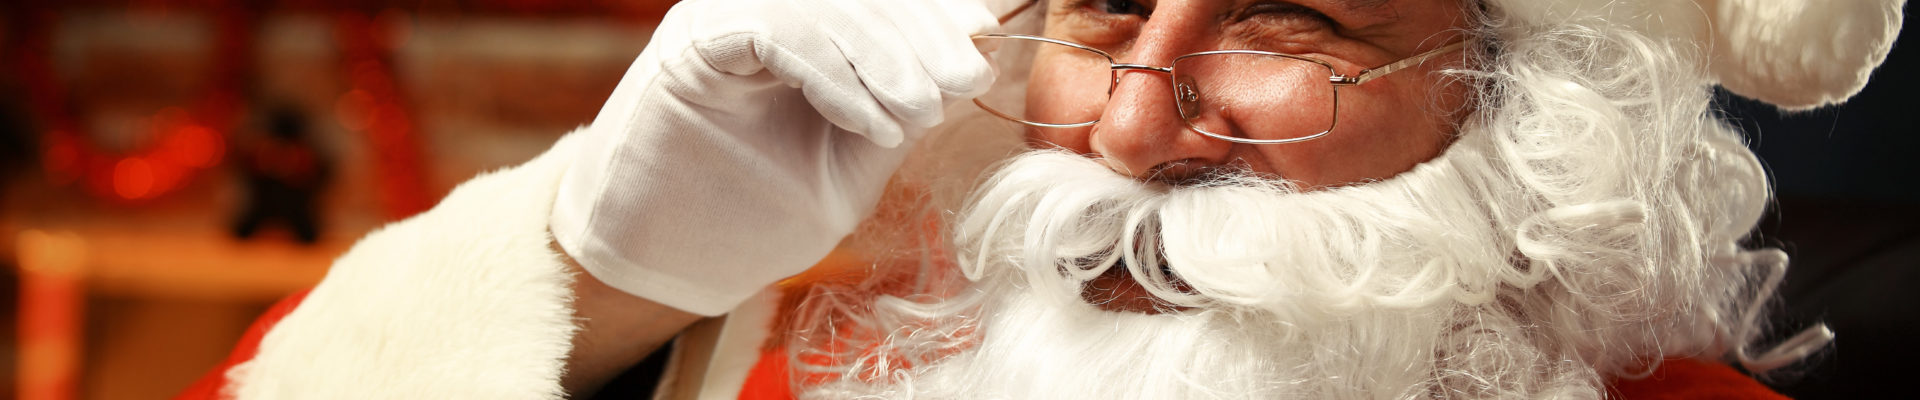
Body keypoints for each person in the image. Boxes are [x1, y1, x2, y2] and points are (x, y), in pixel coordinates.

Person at [181, 0, 1904, 398]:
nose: (1136, 128)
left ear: (1525, 92)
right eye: (1099, 5)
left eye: (1288, 21)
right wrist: (595, 275)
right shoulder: (755, 364)